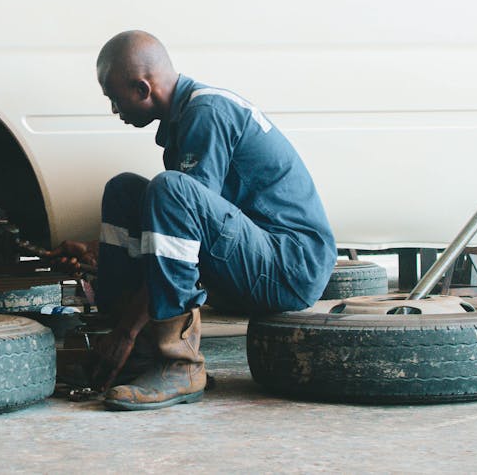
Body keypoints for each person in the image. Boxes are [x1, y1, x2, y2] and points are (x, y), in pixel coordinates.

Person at [52, 30, 336, 411]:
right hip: (257, 256)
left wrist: (127, 331)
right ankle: (139, 358)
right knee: (124, 191)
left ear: (142, 89)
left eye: (114, 99)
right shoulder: (184, 116)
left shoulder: (206, 114)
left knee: (171, 190)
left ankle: (179, 364)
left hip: (291, 266)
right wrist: (96, 252)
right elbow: (181, 235)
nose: (114, 110)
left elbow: (185, 223)